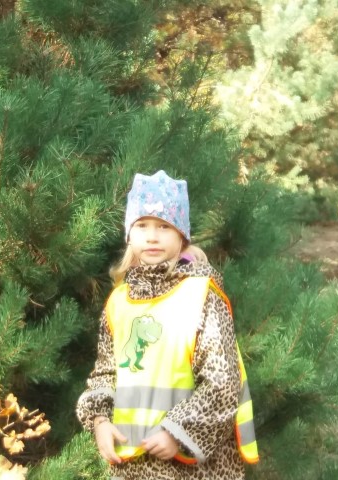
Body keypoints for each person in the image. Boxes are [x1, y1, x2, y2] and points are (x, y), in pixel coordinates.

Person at [76, 171, 259, 480]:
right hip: (132, 465)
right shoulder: (119, 302)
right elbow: (105, 372)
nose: (152, 236)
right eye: (142, 225)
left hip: (193, 469)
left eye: (164, 226)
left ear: (181, 236)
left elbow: (223, 382)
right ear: (129, 235)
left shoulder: (201, 296)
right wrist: (100, 421)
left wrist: (177, 432)